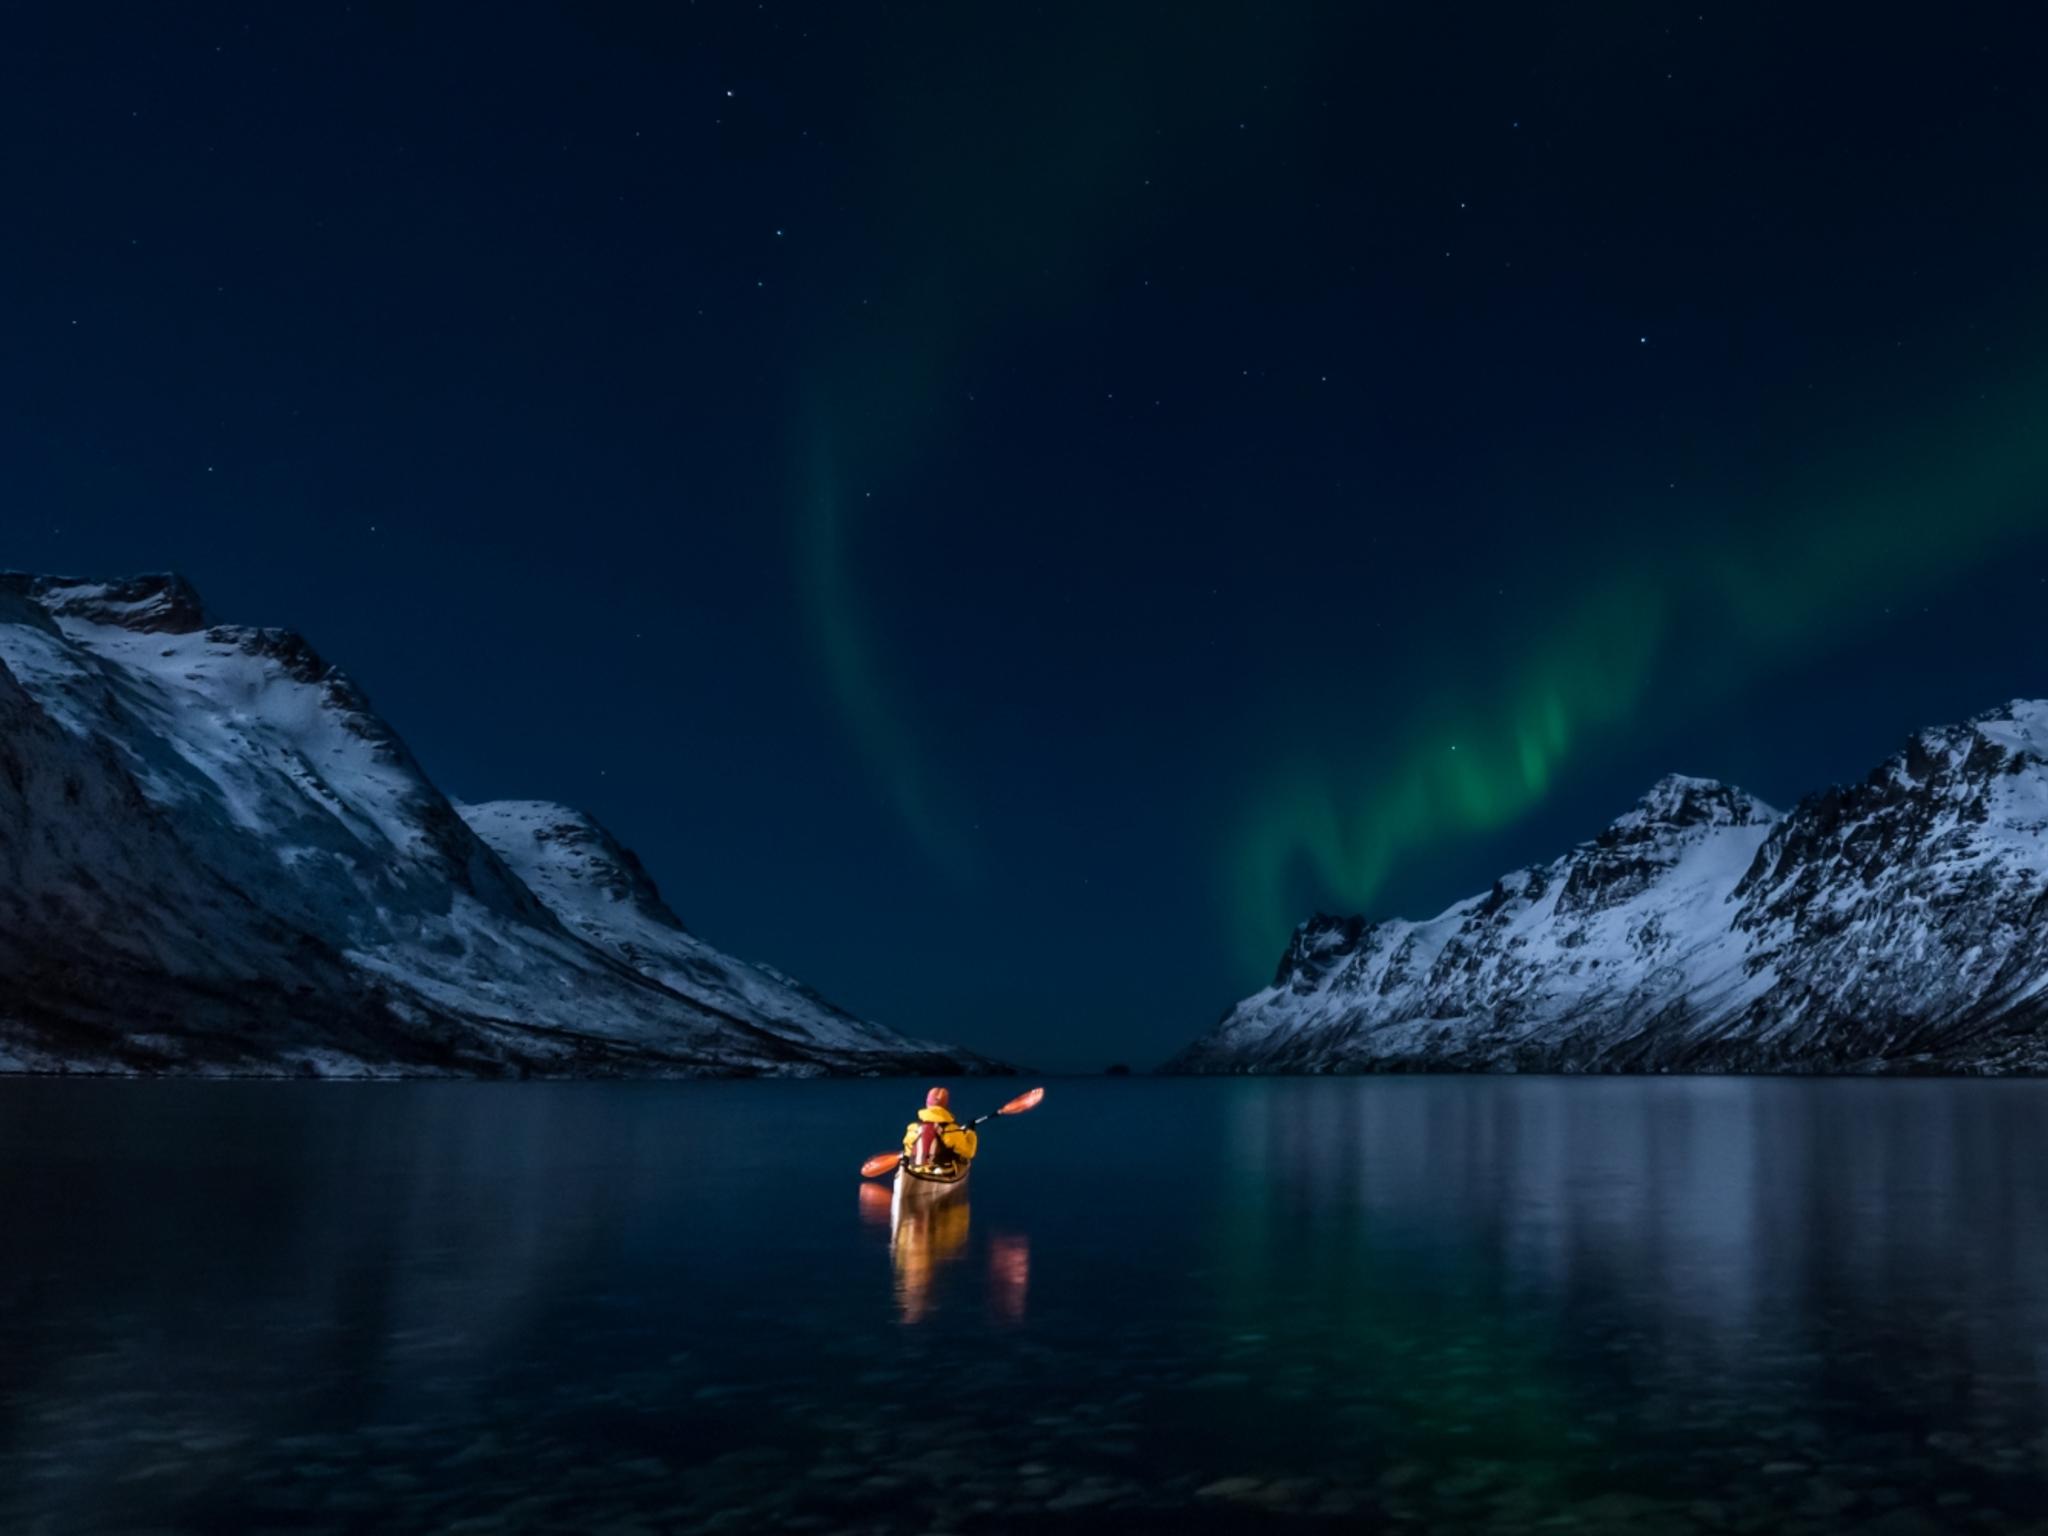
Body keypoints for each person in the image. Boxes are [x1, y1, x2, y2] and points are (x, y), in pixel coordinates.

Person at [902, 1086, 977, 1173]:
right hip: (943, 1171)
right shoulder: (952, 1130)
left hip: (916, 1170)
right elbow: (969, 1153)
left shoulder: (913, 1128)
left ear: (927, 1104)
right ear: (945, 1105)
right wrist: (970, 1132)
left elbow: (907, 1152)